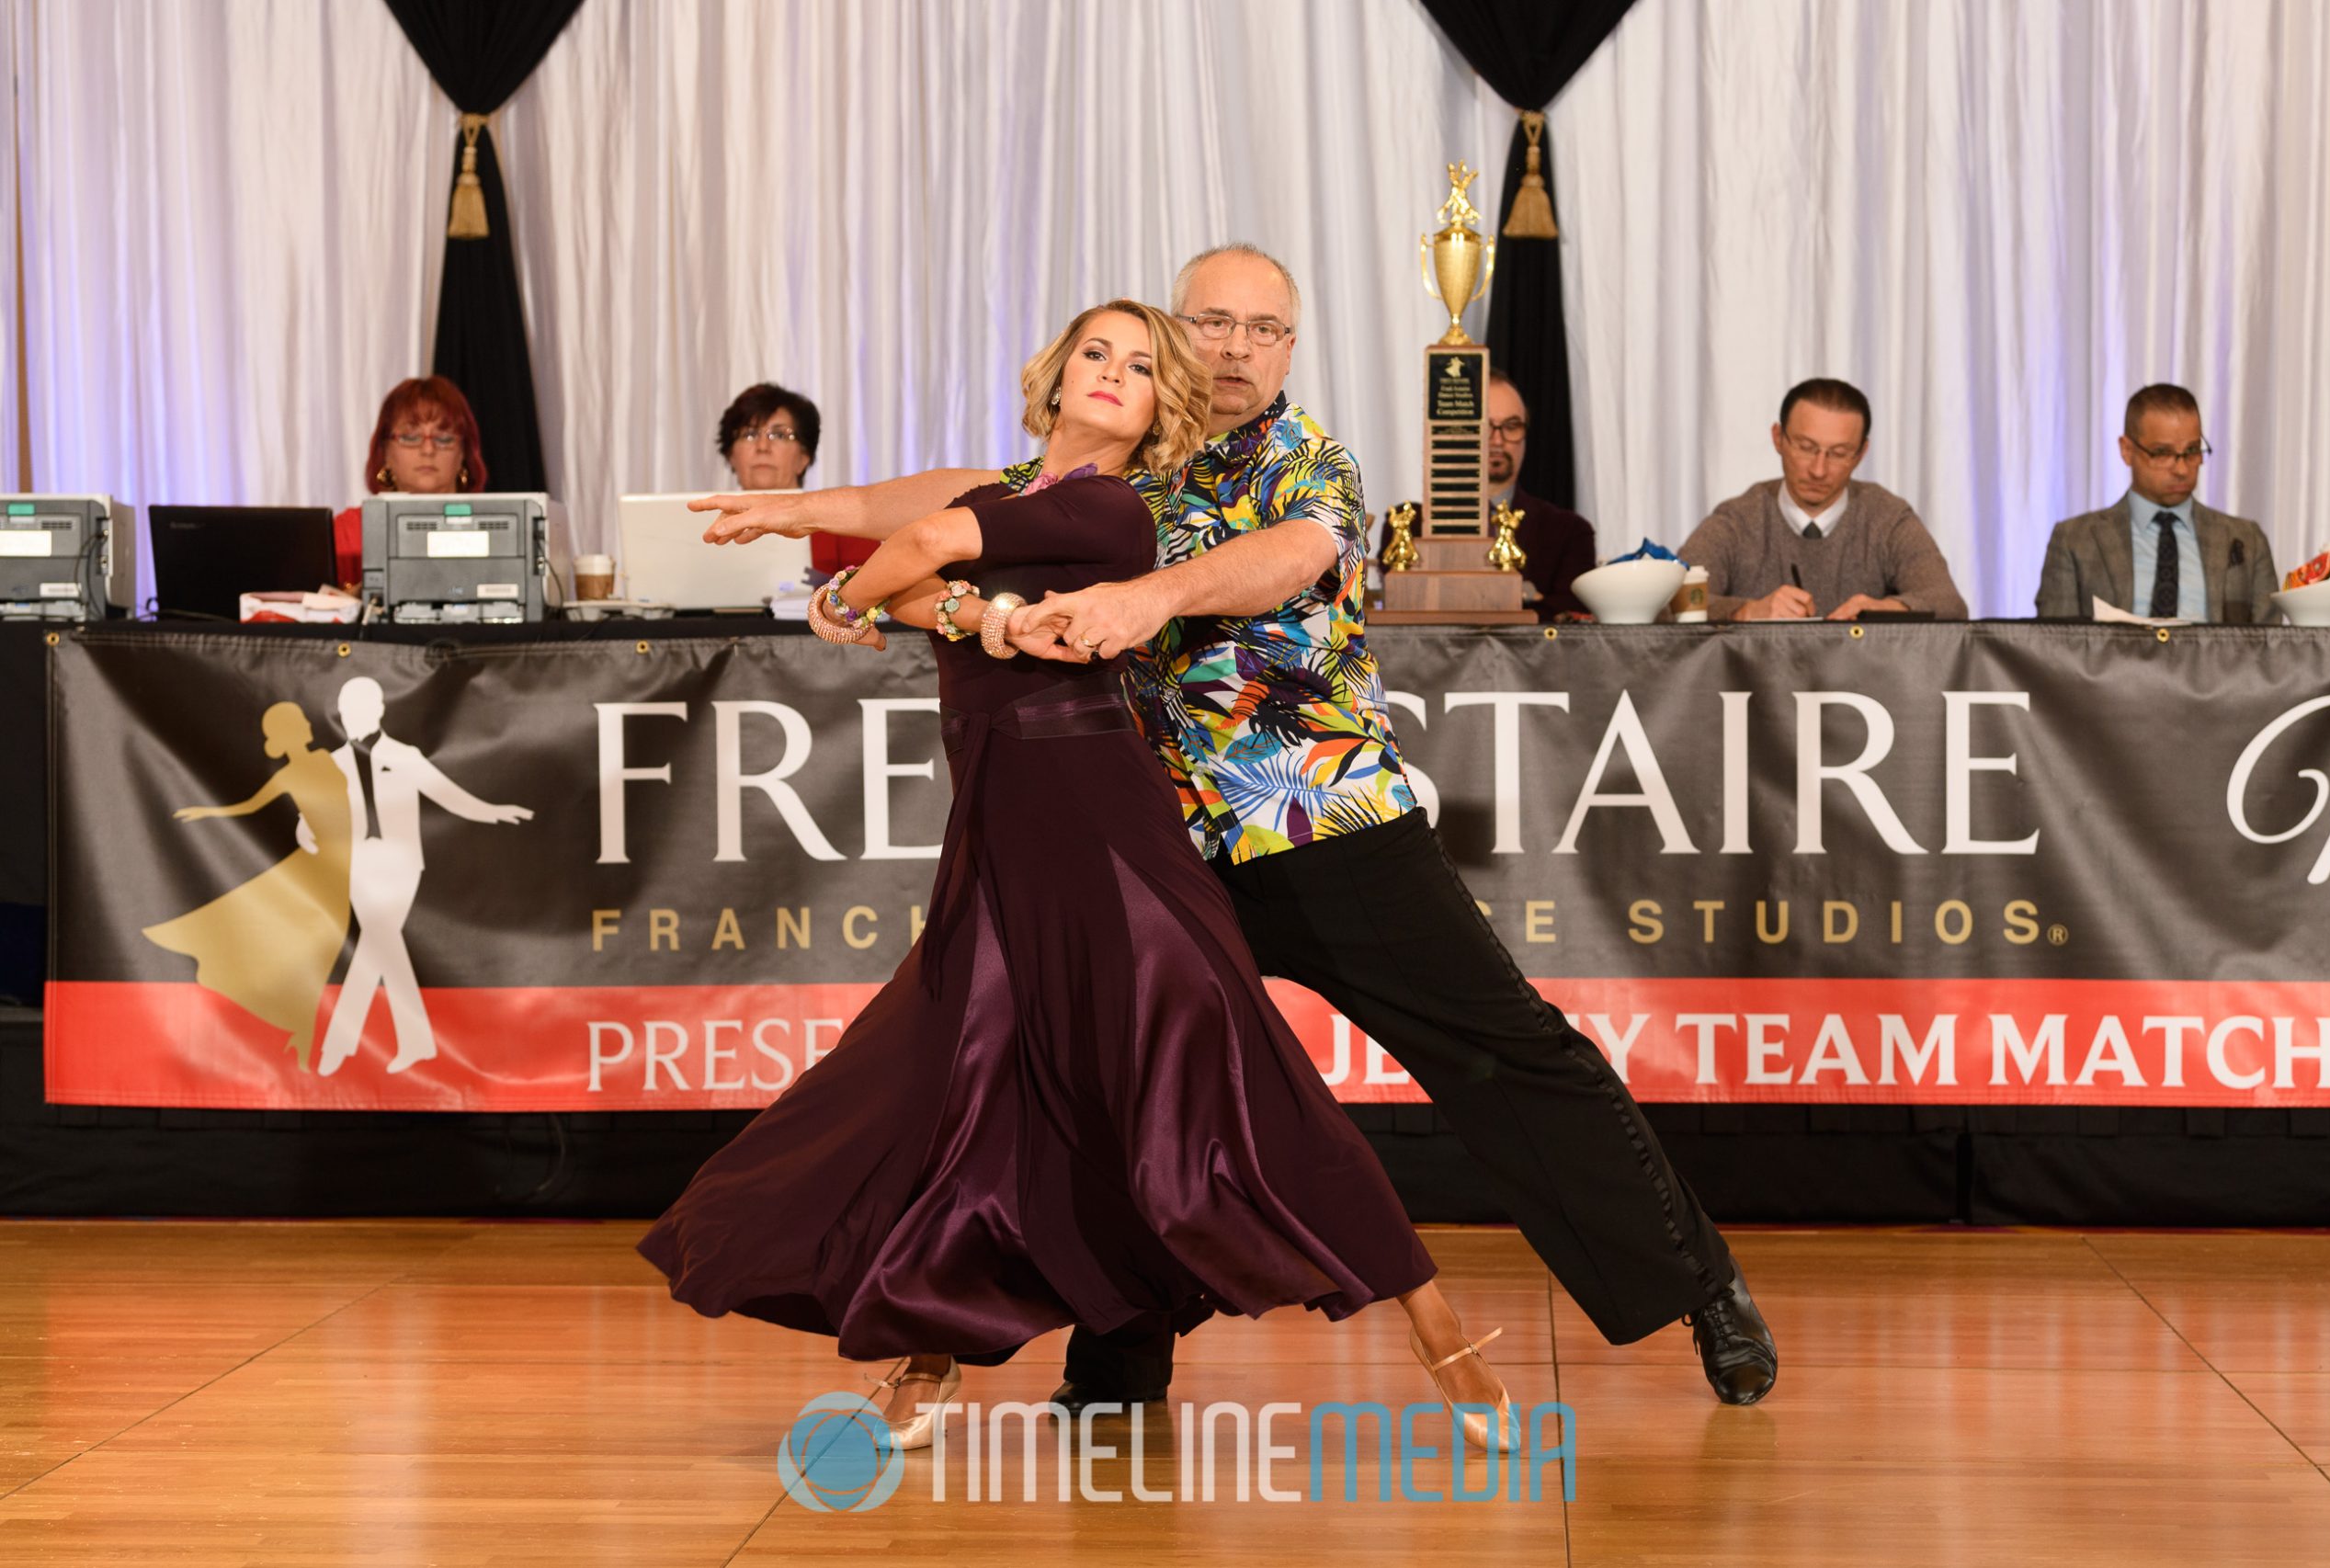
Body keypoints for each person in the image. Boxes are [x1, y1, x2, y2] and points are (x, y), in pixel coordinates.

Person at [697, 245, 1779, 1411]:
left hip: (1317, 815)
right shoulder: (1109, 457)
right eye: (1210, 320)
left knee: (1502, 1048)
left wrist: (1151, 595)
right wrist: (804, 518)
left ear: (1289, 350)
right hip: (1148, 835)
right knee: (1120, 1081)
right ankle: (1117, 1360)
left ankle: (1696, 1284)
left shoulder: (1308, 460)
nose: (1233, 347)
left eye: (1263, 329)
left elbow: (1288, 558)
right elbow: (943, 501)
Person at [642, 299, 1517, 1453]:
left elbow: (909, 550)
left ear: (1163, 409)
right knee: (961, 1086)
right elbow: (891, 518)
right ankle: (926, 1355)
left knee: (1229, 1076)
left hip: (1102, 832)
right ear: (1056, 378)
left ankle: (1439, 1329)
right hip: (1002, 832)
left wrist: (859, 597)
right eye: (1096, 353)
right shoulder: (1015, 495)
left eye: (1144, 366)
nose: (1114, 373)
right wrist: (805, 523)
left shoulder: (1110, 511)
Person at [315, 676, 533, 1078]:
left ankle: (339, 1045)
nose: (352, 717)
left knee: (377, 943)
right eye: (346, 710)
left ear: (380, 710)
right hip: (358, 864)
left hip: (400, 865)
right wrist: (305, 834)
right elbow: (308, 816)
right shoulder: (333, 763)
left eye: (360, 708)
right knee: (379, 948)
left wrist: (493, 811)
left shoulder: (404, 755)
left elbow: (449, 795)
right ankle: (413, 1042)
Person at [142, 701, 353, 1071]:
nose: (306, 725)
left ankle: (302, 1039)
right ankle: (302, 1042)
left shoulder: (325, 759)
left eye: (304, 721)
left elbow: (346, 811)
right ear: (285, 736)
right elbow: (248, 808)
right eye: (298, 723)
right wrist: (206, 812)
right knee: (312, 954)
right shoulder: (288, 775)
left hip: (338, 867)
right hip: (321, 870)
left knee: (323, 952)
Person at [1679, 378, 1968, 621]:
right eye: (1806, 448)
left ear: (1861, 453)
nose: (1819, 470)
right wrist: (1745, 611)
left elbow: (1949, 604)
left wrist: (1888, 610)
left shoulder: (1887, 518)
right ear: (1778, 439)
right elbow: (1672, 601)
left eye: (1839, 453)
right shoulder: (1739, 519)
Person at [2035, 383, 2279, 622]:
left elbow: (2268, 649)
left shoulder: (2247, 540)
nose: (2182, 469)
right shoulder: (2075, 540)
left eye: (2192, 451)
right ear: (2127, 450)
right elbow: (2058, 647)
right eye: (2162, 453)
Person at [334, 377, 488, 589]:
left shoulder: (497, 525)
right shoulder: (348, 533)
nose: (427, 450)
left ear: (463, 452)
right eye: (410, 437)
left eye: (443, 438)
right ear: (385, 451)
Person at [715, 381, 870, 578]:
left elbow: (871, 604)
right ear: (731, 455)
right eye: (750, 434)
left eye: (779, 435)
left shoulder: (844, 523)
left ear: (804, 457)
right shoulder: (706, 529)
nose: (763, 446)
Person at [1486, 371, 1596, 620]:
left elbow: (1573, 609)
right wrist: (1527, 595)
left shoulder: (1570, 532)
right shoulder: (1413, 525)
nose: (1498, 440)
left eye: (1511, 426)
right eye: (1485, 425)